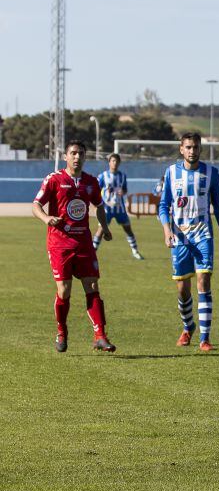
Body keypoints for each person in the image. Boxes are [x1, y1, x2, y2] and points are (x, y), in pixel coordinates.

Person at [31, 140, 116, 352]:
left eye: (81, 154)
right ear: (65, 156)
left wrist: (104, 227)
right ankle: (61, 331)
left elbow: (99, 206)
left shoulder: (91, 182)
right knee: (64, 289)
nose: (77, 157)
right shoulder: (54, 179)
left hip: (84, 243)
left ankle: (100, 336)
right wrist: (46, 218)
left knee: (93, 285)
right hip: (60, 244)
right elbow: (36, 205)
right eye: (73, 153)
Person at [158, 132, 219, 351]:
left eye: (196, 147)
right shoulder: (171, 173)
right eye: (188, 147)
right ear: (181, 149)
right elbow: (163, 205)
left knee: (204, 281)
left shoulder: (211, 173)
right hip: (180, 238)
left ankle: (205, 338)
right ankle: (187, 327)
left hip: (203, 235)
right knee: (182, 289)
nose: (192, 151)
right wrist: (166, 231)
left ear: (200, 149)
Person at [93, 153, 144, 260]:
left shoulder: (123, 176)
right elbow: (96, 190)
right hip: (106, 209)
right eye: (113, 161)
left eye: (116, 161)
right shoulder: (103, 176)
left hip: (120, 208)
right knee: (101, 230)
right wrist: (99, 203)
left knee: (128, 229)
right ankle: (92, 253)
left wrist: (123, 192)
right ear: (109, 162)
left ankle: (135, 251)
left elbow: (125, 189)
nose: (114, 163)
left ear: (119, 163)